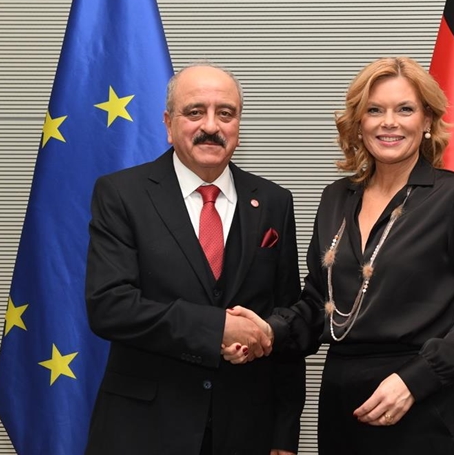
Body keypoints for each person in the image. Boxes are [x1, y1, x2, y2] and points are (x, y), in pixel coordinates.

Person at [225, 56, 454, 454]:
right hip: (342, 404)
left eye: (404, 109)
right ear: (359, 124)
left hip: (423, 404)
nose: (389, 122)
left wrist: (416, 380)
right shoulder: (335, 198)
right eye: (375, 110)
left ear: (427, 121)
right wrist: (269, 332)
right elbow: (319, 303)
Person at [84, 62, 305, 455]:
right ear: (168, 124)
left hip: (246, 432)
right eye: (195, 112)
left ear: (238, 126)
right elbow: (109, 307)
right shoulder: (122, 194)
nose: (211, 126)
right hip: (143, 431)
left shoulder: (274, 202)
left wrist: (284, 435)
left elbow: (288, 314)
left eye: (226, 113)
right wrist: (218, 329)